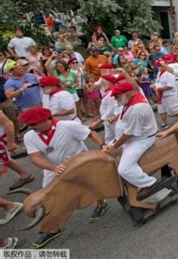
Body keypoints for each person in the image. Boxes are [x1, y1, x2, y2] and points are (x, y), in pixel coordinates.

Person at [20, 107, 109, 248]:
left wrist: (102, 145)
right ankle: (53, 228)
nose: (30, 128)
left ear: (46, 120)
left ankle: (101, 204)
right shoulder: (29, 136)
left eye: (33, 124)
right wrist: (53, 167)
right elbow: (35, 157)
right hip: (53, 169)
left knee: (91, 185)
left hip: (79, 163)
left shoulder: (68, 126)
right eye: (29, 125)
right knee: (48, 198)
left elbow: (90, 133)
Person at [103, 82, 161, 200]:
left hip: (141, 139)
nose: (115, 99)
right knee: (104, 153)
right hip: (132, 136)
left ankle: (148, 183)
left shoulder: (137, 108)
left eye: (117, 96)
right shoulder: (131, 99)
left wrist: (114, 146)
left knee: (124, 169)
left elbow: (129, 134)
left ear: (128, 94)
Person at [89, 75, 119, 145]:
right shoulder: (108, 91)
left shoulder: (112, 93)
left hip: (112, 120)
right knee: (109, 138)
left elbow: (110, 110)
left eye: (103, 83)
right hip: (107, 120)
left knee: (117, 137)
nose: (101, 85)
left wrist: (98, 122)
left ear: (109, 83)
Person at [154, 55, 178, 129]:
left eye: (159, 66)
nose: (158, 67)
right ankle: (164, 123)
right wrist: (155, 86)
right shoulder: (159, 73)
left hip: (170, 95)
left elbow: (170, 85)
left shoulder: (169, 73)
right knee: (161, 109)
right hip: (161, 95)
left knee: (175, 110)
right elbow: (158, 82)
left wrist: (160, 89)